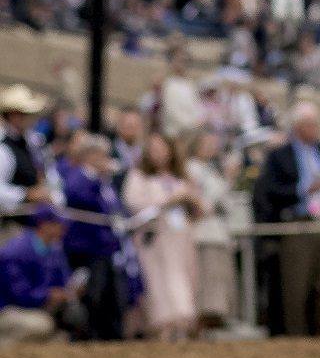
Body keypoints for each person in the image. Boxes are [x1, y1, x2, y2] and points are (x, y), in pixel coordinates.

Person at [257, 100, 320, 338]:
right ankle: (296, 339)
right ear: (297, 126)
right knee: (296, 289)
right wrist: (303, 191)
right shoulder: (279, 156)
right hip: (296, 224)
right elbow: (269, 192)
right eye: (310, 124)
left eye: (316, 124)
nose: (315, 129)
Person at [123, 132, 204, 341]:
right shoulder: (138, 176)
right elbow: (133, 202)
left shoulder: (182, 177)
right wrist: (170, 199)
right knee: (157, 280)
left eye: (161, 149)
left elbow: (202, 208)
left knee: (184, 276)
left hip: (180, 237)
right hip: (154, 238)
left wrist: (190, 199)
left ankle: (184, 320)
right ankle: (163, 324)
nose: (157, 154)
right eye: (153, 149)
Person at [57, 132, 126, 341]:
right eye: (101, 154)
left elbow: (113, 208)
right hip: (86, 249)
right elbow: (78, 197)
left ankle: (110, 337)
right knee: (92, 297)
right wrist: (97, 178)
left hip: (107, 248)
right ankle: (88, 337)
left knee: (110, 297)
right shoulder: (79, 177)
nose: (104, 159)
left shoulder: (104, 181)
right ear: (90, 155)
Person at [185, 129, 238, 331]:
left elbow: (225, 204)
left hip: (219, 233)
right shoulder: (191, 168)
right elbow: (203, 206)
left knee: (219, 281)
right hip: (202, 234)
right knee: (206, 284)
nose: (211, 147)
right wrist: (227, 180)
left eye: (213, 143)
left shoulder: (212, 169)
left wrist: (227, 182)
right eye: (206, 143)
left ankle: (215, 321)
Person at [0, 207, 70, 344]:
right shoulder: (15, 251)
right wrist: (48, 295)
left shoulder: (53, 249)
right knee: (41, 325)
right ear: (44, 224)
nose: (63, 229)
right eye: (58, 224)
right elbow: (19, 295)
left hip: (35, 308)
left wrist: (67, 291)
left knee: (61, 337)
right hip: (8, 309)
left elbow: (62, 279)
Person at [0, 84, 51, 216]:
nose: (30, 119)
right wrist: (26, 194)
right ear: (13, 116)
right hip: (11, 221)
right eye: (25, 114)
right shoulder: (4, 147)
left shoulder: (32, 143)